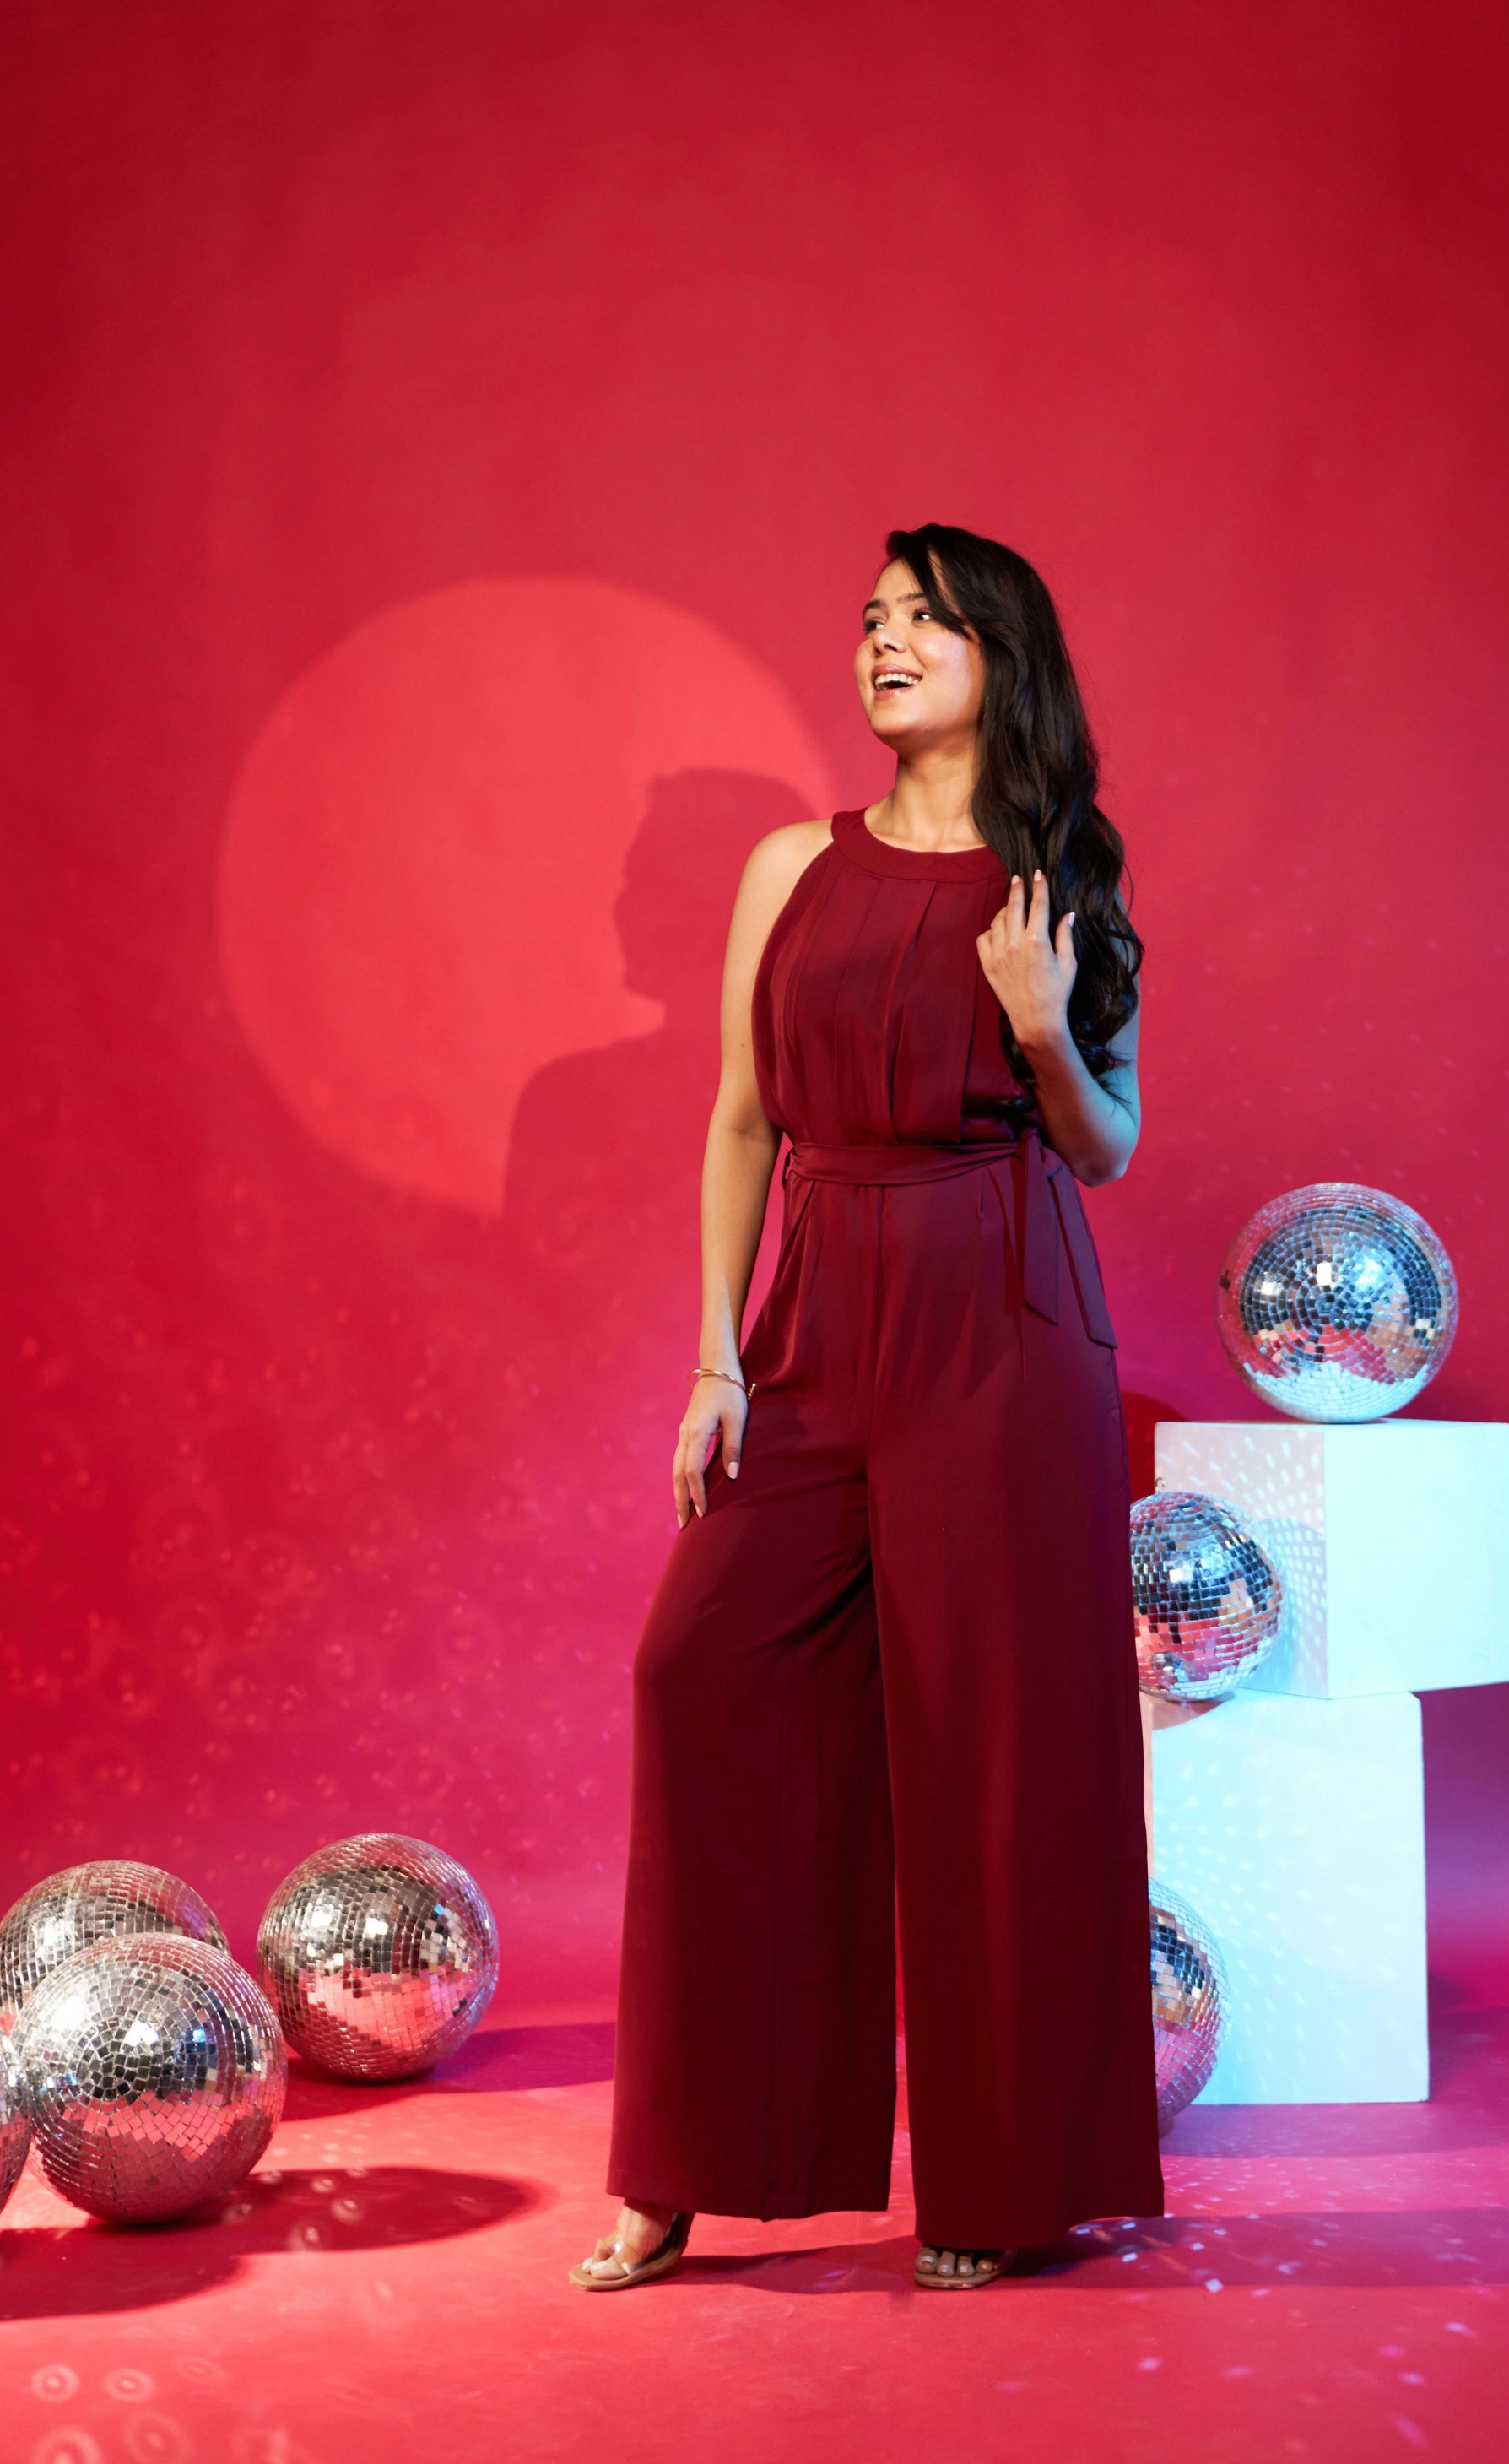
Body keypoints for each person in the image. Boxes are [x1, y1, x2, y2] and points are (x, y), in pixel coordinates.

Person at [571, 523, 1165, 2293]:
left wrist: (1043, 1024)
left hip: (1003, 1304)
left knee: (993, 1748)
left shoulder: (1054, 876)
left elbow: (1106, 1144)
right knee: (703, 1665)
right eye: (870, 619)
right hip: (823, 1306)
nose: (883, 642)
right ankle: (691, 2156)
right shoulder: (787, 868)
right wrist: (714, 1356)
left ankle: (999, 2181)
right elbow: (744, 1119)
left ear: (1001, 653)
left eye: (921, 618)